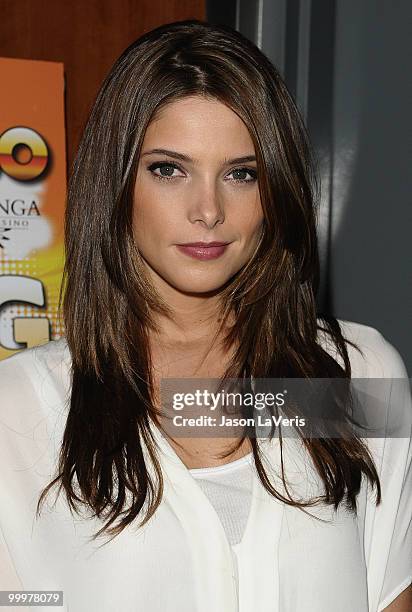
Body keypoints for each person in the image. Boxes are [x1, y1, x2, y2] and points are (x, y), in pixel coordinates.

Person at [0, 19, 411, 612]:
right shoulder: (20, 407)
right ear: (116, 183)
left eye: (242, 174)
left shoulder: (357, 376)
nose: (208, 210)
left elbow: (387, 590)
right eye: (169, 169)